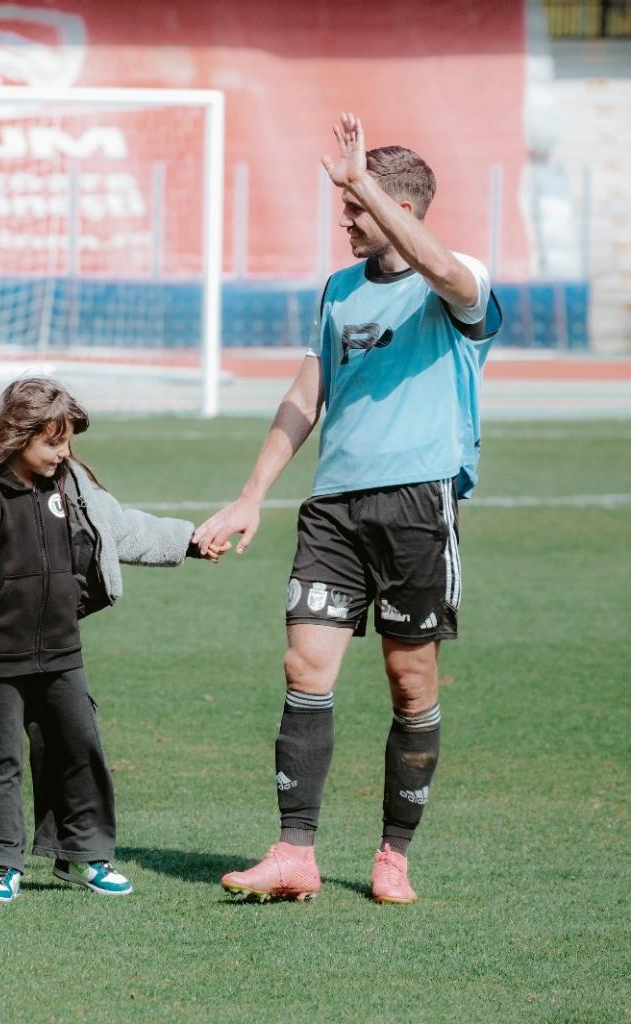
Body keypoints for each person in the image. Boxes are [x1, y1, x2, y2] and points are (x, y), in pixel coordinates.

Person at [194, 112, 501, 904]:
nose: (346, 219)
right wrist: (252, 495)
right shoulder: (336, 291)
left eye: (357, 207)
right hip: (333, 508)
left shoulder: (455, 278)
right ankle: (295, 852)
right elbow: (306, 397)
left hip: (416, 507)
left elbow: (447, 275)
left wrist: (365, 179)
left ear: (394, 204)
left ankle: (393, 854)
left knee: (409, 682)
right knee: (305, 667)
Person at [0, 377, 227, 904]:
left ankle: (83, 857)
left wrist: (188, 541)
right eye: (53, 442)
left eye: (68, 441)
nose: (64, 452)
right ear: (18, 435)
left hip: (61, 652)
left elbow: (121, 529)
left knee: (77, 751)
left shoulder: (73, 483)